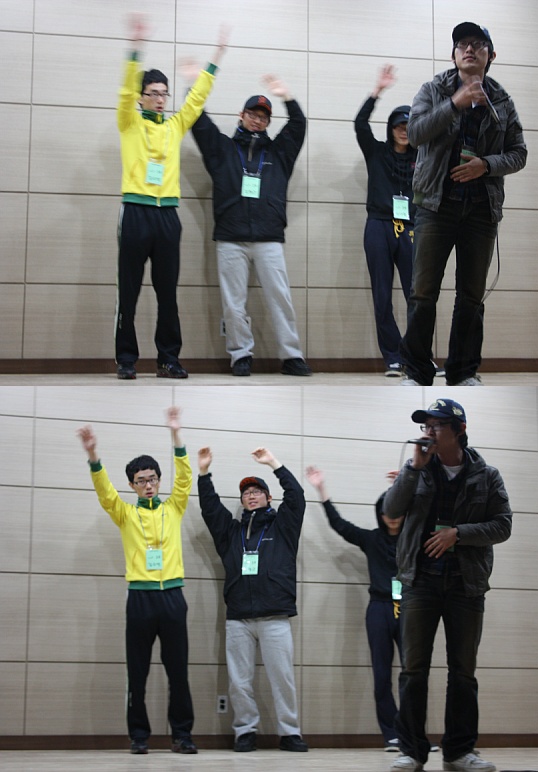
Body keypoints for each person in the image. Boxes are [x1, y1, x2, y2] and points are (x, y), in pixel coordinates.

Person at [382, 398, 512, 772]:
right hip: (419, 582)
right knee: (413, 670)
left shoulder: (487, 475)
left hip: (465, 585)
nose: (429, 432)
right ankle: (411, 751)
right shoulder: (417, 470)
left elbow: (502, 526)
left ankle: (458, 752)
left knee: (463, 672)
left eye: (437, 425)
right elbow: (391, 510)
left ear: (460, 430)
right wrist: (413, 469)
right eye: (426, 426)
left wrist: (459, 533)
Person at [399, 22, 527, 386]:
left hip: (481, 211)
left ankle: (462, 372)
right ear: (453, 55)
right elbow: (415, 134)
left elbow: (519, 153)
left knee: (471, 296)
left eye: (477, 44)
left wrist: (486, 165)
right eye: (462, 45)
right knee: (423, 293)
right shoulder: (434, 90)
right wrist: (455, 103)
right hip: (434, 206)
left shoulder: (502, 100)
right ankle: (417, 372)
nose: (469, 49)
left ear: (490, 54)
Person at [77, 407, 197, 755]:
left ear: (159, 481)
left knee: (178, 672)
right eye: (141, 480)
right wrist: (93, 456)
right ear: (132, 485)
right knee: (138, 672)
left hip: (173, 597)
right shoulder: (125, 514)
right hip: (140, 600)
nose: (148, 485)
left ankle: (182, 735)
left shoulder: (173, 508)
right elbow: (105, 493)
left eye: (153, 479)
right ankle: (139, 736)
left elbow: (185, 478)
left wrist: (176, 434)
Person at [115, 15, 227, 380]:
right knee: (129, 291)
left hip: (167, 217)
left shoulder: (175, 126)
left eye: (164, 93)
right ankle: (126, 359)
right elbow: (125, 91)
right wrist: (136, 49)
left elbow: (196, 99)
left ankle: (168, 359)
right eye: (154, 93)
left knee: (167, 294)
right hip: (135, 212)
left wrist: (215, 58)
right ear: (142, 97)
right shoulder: (129, 122)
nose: (161, 99)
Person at [191, 76, 311, 377]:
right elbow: (199, 122)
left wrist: (287, 97)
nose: (257, 120)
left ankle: (291, 356)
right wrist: (195, 86)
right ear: (241, 115)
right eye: (253, 115)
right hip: (230, 239)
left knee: (280, 298)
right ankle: (240, 354)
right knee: (233, 303)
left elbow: (298, 125)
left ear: (268, 122)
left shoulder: (279, 153)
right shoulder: (222, 149)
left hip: (269, 238)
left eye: (263, 117)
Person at [197, 446, 308, 752]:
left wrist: (274, 463)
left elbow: (297, 496)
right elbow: (210, 508)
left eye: (257, 491)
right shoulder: (231, 533)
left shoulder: (283, 527)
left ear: (269, 498)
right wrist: (204, 473)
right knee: (239, 680)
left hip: (275, 615)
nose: (251, 495)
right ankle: (245, 731)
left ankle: (290, 732)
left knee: (282, 678)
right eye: (246, 493)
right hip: (239, 618)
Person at [305, 465, 404, 750]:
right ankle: (392, 734)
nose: (392, 516)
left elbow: (430, 515)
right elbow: (339, 525)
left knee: (413, 675)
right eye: (386, 511)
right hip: (379, 609)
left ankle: (413, 735)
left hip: (411, 609)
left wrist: (408, 484)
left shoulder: (415, 539)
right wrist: (321, 489)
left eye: (397, 510)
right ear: (379, 514)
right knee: (381, 674)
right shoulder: (371, 539)